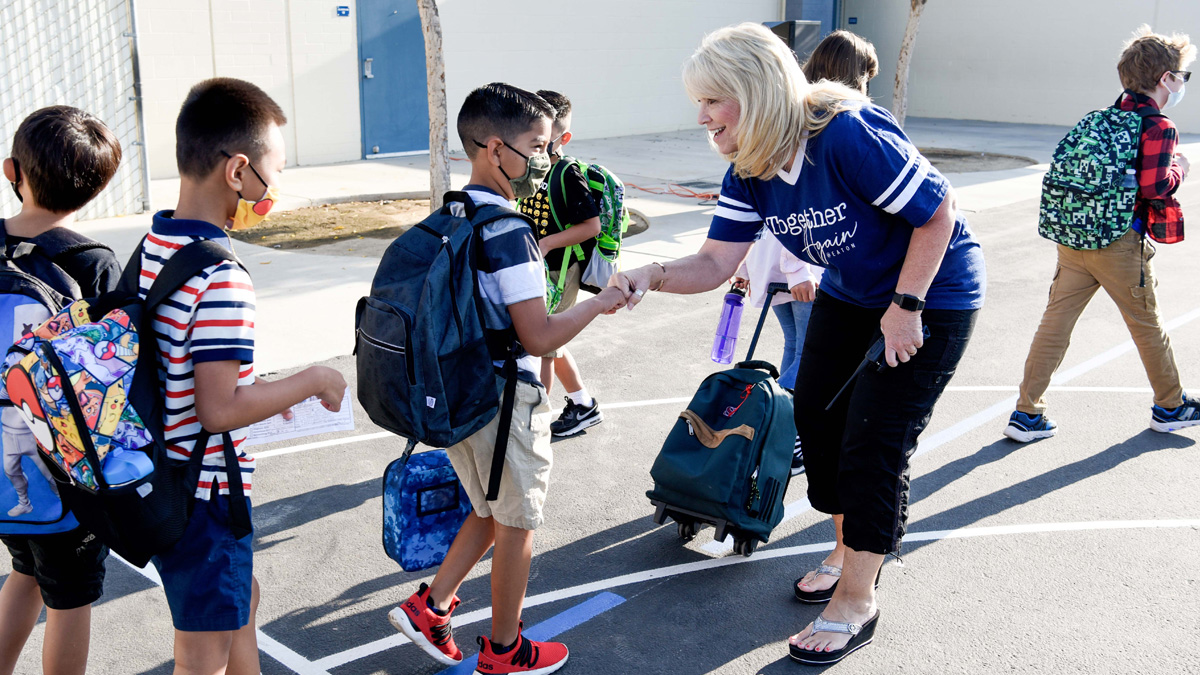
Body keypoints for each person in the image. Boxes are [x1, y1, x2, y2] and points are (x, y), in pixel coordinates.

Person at [610, 23, 985, 665]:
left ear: (753, 92)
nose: (700, 117)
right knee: (815, 417)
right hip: (853, 293)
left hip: (930, 293)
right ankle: (845, 548)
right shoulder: (751, 164)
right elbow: (712, 262)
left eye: (712, 100)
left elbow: (937, 213)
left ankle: (858, 599)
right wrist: (651, 274)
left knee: (874, 442)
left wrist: (905, 307)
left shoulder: (842, 132)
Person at [393, 83, 627, 675]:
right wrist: (602, 302)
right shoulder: (509, 232)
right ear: (495, 148)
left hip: (459, 398)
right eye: (536, 147)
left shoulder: (452, 214)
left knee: (490, 510)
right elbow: (539, 337)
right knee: (518, 521)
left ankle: (433, 605)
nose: (544, 160)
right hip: (504, 402)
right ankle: (504, 650)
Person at [146, 77, 347, 675]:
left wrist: (263, 396)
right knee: (200, 659)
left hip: (171, 478)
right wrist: (313, 379)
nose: (275, 189)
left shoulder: (159, 240)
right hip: (207, 496)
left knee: (242, 604)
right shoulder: (223, 276)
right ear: (238, 172)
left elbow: (188, 372)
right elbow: (219, 409)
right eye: (274, 171)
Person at [1005, 25, 1198, 442]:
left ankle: (1026, 413)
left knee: (1055, 323)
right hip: (1118, 243)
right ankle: (1170, 405)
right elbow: (1153, 186)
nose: (1183, 84)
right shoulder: (1158, 125)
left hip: (1074, 238)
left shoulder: (1102, 119)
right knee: (1148, 323)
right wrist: (1179, 168)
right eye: (1182, 76)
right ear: (1165, 79)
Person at [0, 106, 122, 675]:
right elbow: (113, 375)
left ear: (11, 171)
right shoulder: (89, 262)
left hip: (0, 473)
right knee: (70, 600)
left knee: (24, 570)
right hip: (63, 472)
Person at [517, 90, 605, 437]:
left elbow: (591, 226)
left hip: (559, 270)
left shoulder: (567, 174)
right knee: (553, 342)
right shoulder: (530, 170)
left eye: (541, 138)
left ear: (562, 138)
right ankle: (583, 405)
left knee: (543, 347)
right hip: (536, 267)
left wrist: (546, 243)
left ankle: (533, 425)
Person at [732, 230, 817, 475]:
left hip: (768, 267)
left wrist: (743, 270)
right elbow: (800, 222)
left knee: (794, 344)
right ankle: (777, 421)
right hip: (800, 271)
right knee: (806, 351)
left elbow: (748, 224)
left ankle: (776, 423)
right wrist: (798, 271)